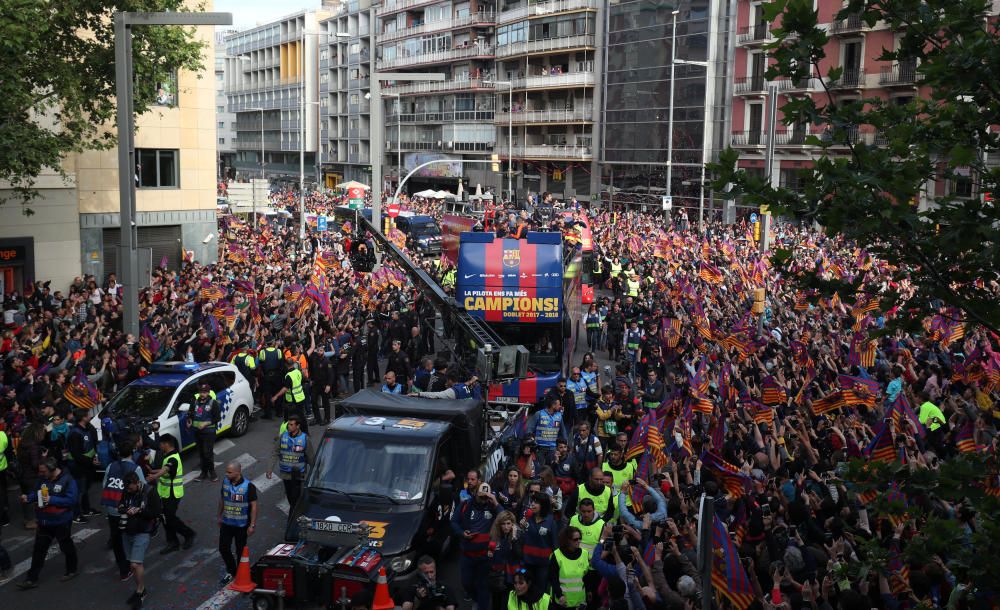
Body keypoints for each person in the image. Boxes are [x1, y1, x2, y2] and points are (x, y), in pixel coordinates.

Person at [16, 457, 79, 589]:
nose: (41, 474)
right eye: (40, 472)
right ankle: (31, 579)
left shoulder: (68, 480)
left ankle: (72, 570)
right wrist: (28, 498)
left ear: (52, 470)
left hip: (61, 521)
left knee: (66, 546)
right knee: (39, 550)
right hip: (44, 522)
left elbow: (71, 500)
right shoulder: (42, 479)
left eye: (43, 471)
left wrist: (52, 499)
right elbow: (36, 492)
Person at [100, 437, 145, 581]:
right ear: (132, 452)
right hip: (128, 510)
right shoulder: (135, 469)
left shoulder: (110, 466)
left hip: (113, 509)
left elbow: (104, 485)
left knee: (117, 538)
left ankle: (123, 570)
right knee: (131, 536)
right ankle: (133, 562)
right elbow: (142, 488)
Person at [451, 482, 499, 610]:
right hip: (467, 555)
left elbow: (505, 517)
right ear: (475, 493)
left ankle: (482, 605)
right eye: (481, 496)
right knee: (466, 583)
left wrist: (495, 501)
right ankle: (477, 599)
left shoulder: (492, 507)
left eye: (486, 497)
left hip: (486, 556)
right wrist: (462, 533)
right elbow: (454, 522)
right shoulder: (465, 505)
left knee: (483, 585)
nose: (484, 500)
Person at [119, 471, 161, 608]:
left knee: (135, 564)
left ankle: (141, 590)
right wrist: (126, 510)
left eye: (130, 488)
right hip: (127, 531)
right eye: (127, 488)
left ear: (137, 483)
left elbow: (156, 512)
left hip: (142, 532)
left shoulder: (150, 492)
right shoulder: (126, 491)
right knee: (133, 564)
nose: (128, 490)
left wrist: (139, 511)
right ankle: (140, 589)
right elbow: (120, 506)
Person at [147, 434, 195, 554]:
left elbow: (167, 469)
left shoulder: (173, 458)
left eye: (161, 444)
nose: (159, 446)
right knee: (165, 518)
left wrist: (154, 476)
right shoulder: (169, 456)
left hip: (172, 494)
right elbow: (165, 470)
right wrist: (154, 471)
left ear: (166, 444)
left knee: (169, 518)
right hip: (165, 493)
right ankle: (173, 542)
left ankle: (188, 534)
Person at [217, 461, 258, 586]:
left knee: (240, 551)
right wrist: (219, 515)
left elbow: (254, 507)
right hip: (227, 523)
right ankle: (232, 570)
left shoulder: (248, 486)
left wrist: (252, 525)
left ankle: (242, 574)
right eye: (226, 472)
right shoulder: (225, 482)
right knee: (223, 548)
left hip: (241, 525)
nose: (227, 474)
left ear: (238, 472)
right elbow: (222, 499)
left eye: (229, 472)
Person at [267, 415, 314, 511]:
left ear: (298, 426)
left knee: (296, 498)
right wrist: (269, 469)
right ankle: (294, 512)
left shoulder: (305, 439)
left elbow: (310, 457)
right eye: (289, 424)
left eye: (292, 425)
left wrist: (316, 473)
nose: (289, 427)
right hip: (286, 474)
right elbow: (275, 453)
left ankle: (293, 517)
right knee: (290, 497)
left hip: (299, 475)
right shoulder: (283, 436)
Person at [65, 407, 100, 522]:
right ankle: (76, 514)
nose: (90, 416)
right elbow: (76, 454)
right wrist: (90, 461)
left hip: (87, 465)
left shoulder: (87, 428)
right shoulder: (75, 433)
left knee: (85, 488)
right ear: (83, 418)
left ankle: (86, 509)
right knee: (79, 490)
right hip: (77, 466)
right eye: (88, 414)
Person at [488, 510, 521, 610]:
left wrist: (514, 537)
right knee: (496, 602)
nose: (506, 527)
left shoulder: (518, 535)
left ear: (513, 524)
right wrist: (489, 555)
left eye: (508, 523)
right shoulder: (494, 535)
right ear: (499, 524)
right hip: (497, 575)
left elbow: (519, 555)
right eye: (503, 524)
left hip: (511, 575)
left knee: (508, 603)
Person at [549, 526, 589, 609]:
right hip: (563, 602)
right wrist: (560, 596)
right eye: (575, 539)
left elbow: (587, 577)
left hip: (580, 602)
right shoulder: (556, 555)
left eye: (579, 538)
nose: (578, 541)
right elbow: (553, 579)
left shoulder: (585, 554)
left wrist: (589, 591)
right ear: (567, 540)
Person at [189, 382, 221, 482]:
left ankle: (212, 472)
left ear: (208, 392)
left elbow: (217, 418)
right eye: (201, 392)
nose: (202, 394)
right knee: (201, 453)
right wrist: (189, 421)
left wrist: (206, 423)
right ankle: (203, 473)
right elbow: (190, 413)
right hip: (197, 432)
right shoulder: (194, 402)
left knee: (208, 453)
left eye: (205, 392)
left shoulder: (213, 403)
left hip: (209, 432)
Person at [273, 357, 308, 434]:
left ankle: (285, 435)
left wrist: (276, 396)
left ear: (286, 365)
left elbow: (285, 389)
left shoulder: (288, 376)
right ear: (293, 364)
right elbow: (303, 380)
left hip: (292, 401)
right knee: (301, 417)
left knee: (288, 419)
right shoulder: (298, 371)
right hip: (301, 398)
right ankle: (305, 433)